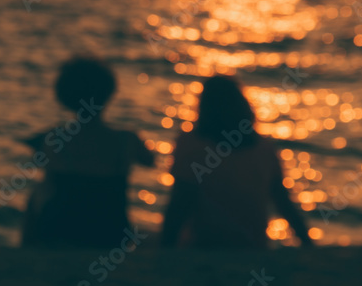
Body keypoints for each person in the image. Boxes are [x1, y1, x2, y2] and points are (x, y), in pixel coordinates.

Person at [161, 75, 312, 249]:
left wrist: (164, 251)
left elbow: (179, 206)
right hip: (253, 248)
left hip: (203, 248)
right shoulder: (264, 149)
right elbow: (284, 203)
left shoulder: (192, 146)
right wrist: (308, 244)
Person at [21, 55, 154, 248]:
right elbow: (150, 160)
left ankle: (26, 252)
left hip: (58, 232)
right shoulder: (127, 141)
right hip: (109, 234)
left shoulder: (53, 139)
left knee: (39, 192)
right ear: (109, 93)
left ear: (64, 95)